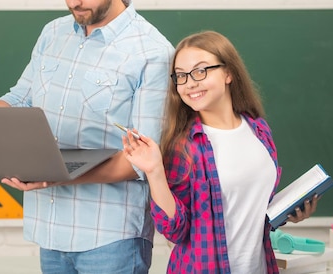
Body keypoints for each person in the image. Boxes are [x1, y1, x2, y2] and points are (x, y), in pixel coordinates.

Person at [0, 0, 174, 273]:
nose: (75, 2)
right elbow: (22, 98)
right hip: (50, 232)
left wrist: (56, 173)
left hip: (110, 237)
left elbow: (142, 159)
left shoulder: (152, 51)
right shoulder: (53, 33)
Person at [120, 30, 320, 273]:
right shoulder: (184, 146)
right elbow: (176, 230)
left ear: (228, 73)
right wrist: (154, 172)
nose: (190, 82)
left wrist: (289, 213)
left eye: (201, 71)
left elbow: (249, 211)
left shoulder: (258, 130)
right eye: (181, 76)